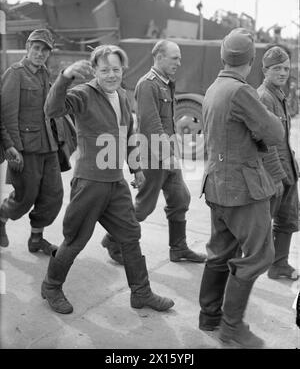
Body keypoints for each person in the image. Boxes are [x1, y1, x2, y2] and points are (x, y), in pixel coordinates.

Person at [41, 45, 174, 314]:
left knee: (130, 235)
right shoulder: (82, 94)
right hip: (89, 183)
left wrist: (135, 167)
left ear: (122, 70)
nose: (111, 75)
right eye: (105, 70)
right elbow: (51, 109)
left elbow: (128, 134)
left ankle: (141, 293)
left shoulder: (122, 95)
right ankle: (51, 286)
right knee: (75, 239)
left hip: (116, 183)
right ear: (95, 71)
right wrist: (65, 77)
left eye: (116, 69)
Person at [198, 28, 285, 348]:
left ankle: (209, 316)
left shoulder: (213, 89)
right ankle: (232, 328)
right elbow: (273, 132)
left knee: (220, 251)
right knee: (260, 254)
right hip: (242, 190)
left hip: (217, 186)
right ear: (251, 61)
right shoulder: (241, 91)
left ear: (223, 57)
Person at [102, 40, 206, 265]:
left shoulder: (166, 83)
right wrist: (167, 155)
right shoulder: (147, 84)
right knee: (144, 206)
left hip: (168, 154)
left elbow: (167, 123)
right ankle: (112, 239)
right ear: (159, 57)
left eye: (179, 58)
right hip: (153, 156)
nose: (179, 62)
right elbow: (150, 123)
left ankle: (178, 249)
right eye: (174, 58)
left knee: (180, 199)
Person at [0, 29, 63, 253]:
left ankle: (36, 239)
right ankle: (1, 216)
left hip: (48, 145)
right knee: (25, 197)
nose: (40, 53)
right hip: (25, 147)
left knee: (53, 195)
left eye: (45, 50)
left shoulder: (45, 73)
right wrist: (11, 147)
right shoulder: (15, 73)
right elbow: (6, 114)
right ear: (28, 47)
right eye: (36, 48)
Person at [257, 46, 299, 281]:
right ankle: (244, 268)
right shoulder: (263, 97)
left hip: (288, 170)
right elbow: (266, 141)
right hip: (275, 174)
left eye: (285, 68)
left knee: (288, 219)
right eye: (276, 68)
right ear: (265, 70)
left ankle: (279, 265)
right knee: (261, 225)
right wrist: (276, 176)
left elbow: (282, 138)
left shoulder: (279, 95)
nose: (283, 72)